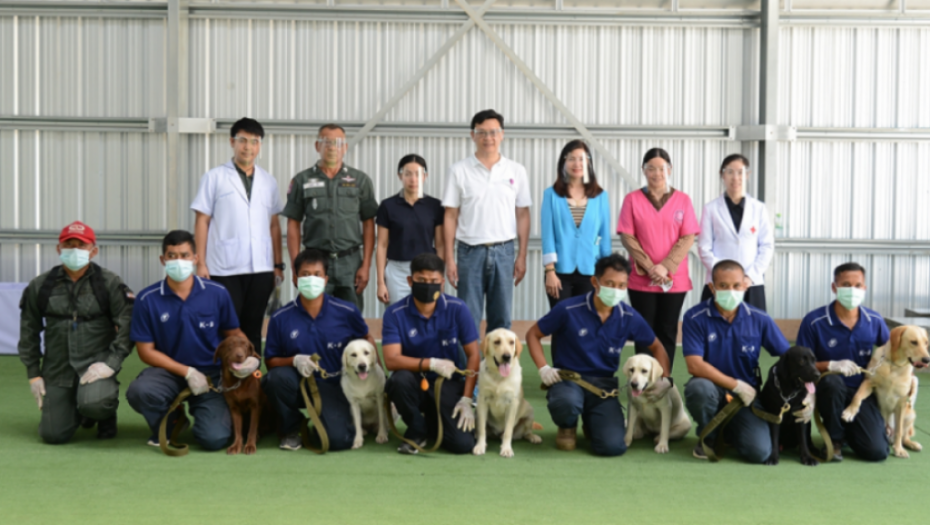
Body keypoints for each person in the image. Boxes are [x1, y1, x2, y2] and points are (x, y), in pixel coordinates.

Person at [525, 253, 670, 456]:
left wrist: (665, 380)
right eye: (610, 283)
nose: (616, 290)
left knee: (613, 447)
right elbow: (533, 334)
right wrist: (544, 368)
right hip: (569, 381)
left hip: (603, 386)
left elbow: (657, 347)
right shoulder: (568, 309)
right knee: (566, 403)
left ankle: (592, 423)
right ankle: (567, 425)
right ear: (595, 281)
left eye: (621, 285)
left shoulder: (628, 316)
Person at [126, 230, 247, 450]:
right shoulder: (147, 299)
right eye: (172, 256)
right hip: (168, 372)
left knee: (215, 439)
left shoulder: (217, 293)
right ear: (163, 260)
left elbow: (234, 333)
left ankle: (207, 416)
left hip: (211, 375)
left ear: (195, 258)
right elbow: (145, 352)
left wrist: (250, 358)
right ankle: (172, 422)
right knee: (139, 391)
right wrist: (187, 372)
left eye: (184, 255)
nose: (178, 261)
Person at [18, 221, 134, 443]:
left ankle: (103, 414)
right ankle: (78, 410)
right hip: (57, 368)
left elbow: (127, 325)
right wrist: (34, 374)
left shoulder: (109, 283)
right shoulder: (41, 285)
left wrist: (111, 363)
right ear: (58, 249)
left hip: (94, 365)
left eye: (81, 245)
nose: (74, 250)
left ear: (93, 251)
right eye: (68, 244)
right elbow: (28, 331)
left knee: (96, 403)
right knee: (53, 435)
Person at [262, 248, 374, 451]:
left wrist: (377, 374)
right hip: (298, 383)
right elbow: (270, 361)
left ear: (326, 279)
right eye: (305, 275)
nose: (311, 279)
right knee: (275, 379)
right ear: (295, 279)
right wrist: (294, 361)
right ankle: (290, 429)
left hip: (335, 385)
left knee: (337, 441)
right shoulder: (280, 317)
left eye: (317, 275)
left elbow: (366, 340)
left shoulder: (347, 311)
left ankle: (334, 421)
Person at [191, 117, 285, 354]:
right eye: (243, 140)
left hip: (261, 268)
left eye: (254, 141)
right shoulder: (214, 177)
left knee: (253, 328)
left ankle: (252, 380)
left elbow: (274, 225)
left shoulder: (268, 181)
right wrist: (200, 263)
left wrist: (278, 264)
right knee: (226, 327)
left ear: (259, 145)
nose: (248, 147)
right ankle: (224, 380)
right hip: (224, 268)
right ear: (232, 142)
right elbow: (202, 221)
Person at [682, 260, 790, 463]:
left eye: (736, 286)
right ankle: (709, 437)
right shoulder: (694, 317)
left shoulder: (760, 318)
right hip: (712, 389)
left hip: (746, 396)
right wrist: (735, 385)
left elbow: (788, 356)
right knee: (698, 390)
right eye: (723, 286)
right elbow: (694, 365)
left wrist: (807, 391)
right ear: (712, 287)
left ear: (745, 285)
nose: (730, 291)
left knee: (759, 453)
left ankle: (730, 429)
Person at [443, 109, 531, 336]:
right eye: (481, 132)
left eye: (493, 132)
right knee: (467, 318)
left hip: (504, 252)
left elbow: (522, 214)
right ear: (472, 135)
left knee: (501, 319)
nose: (488, 138)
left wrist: (521, 255)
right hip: (468, 253)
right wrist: (450, 259)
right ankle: (470, 371)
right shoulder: (459, 170)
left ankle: (499, 371)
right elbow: (450, 215)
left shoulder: (516, 171)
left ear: (502, 134)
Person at [382, 253, 480, 454]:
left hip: (447, 384)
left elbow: (473, 355)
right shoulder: (394, 314)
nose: (428, 285)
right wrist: (431, 363)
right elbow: (391, 360)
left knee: (462, 445)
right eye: (422, 281)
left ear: (443, 283)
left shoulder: (458, 309)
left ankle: (434, 424)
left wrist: (467, 398)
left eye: (434, 281)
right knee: (398, 381)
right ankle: (418, 429)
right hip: (413, 381)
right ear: (410, 281)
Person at [795, 262, 890, 462]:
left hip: (861, 392)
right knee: (832, 382)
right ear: (834, 287)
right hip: (826, 389)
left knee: (877, 452)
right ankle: (835, 440)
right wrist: (830, 365)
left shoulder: (875, 320)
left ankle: (851, 432)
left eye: (858, 285)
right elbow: (799, 363)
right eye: (846, 284)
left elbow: (889, 353)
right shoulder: (814, 321)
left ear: (864, 288)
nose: (852, 290)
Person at [617, 147, 700, 372]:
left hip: (673, 280)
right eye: (651, 168)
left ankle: (663, 379)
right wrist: (650, 266)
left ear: (670, 170)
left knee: (667, 330)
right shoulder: (632, 200)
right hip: (642, 279)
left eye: (661, 168)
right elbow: (627, 236)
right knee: (644, 331)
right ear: (644, 171)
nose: (656, 173)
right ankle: (642, 381)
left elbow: (688, 237)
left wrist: (666, 266)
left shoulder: (683, 200)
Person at [282, 124, 379, 310]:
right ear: (317, 146)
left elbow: (368, 225)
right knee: (313, 315)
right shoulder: (302, 180)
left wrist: (366, 265)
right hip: (314, 262)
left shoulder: (361, 180)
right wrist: (296, 266)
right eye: (326, 142)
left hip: (350, 262)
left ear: (345, 147)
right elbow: (293, 225)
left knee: (351, 318)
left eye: (338, 143)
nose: (332, 147)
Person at [541, 139, 612, 308]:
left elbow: (604, 237)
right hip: (559, 272)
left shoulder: (601, 196)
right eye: (571, 158)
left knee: (585, 325)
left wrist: (607, 274)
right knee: (561, 323)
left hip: (591, 271)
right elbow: (547, 235)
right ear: (563, 162)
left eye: (581, 158)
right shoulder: (551, 194)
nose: (577, 163)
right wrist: (550, 271)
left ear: (588, 162)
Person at [698, 154, 773, 311]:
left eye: (740, 172)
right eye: (730, 172)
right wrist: (723, 276)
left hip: (750, 283)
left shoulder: (759, 208)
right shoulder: (710, 209)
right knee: (715, 327)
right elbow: (704, 248)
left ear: (747, 175)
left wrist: (749, 276)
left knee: (752, 330)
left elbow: (766, 246)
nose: (735, 177)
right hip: (719, 285)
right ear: (722, 175)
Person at [375, 154, 445, 306]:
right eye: (408, 174)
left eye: (418, 174)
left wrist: (439, 276)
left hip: (427, 271)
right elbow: (381, 245)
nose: (413, 179)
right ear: (400, 175)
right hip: (397, 271)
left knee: (427, 315)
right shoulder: (388, 206)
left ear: (425, 176)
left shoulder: (435, 206)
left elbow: (440, 245)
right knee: (398, 314)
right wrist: (380, 282)